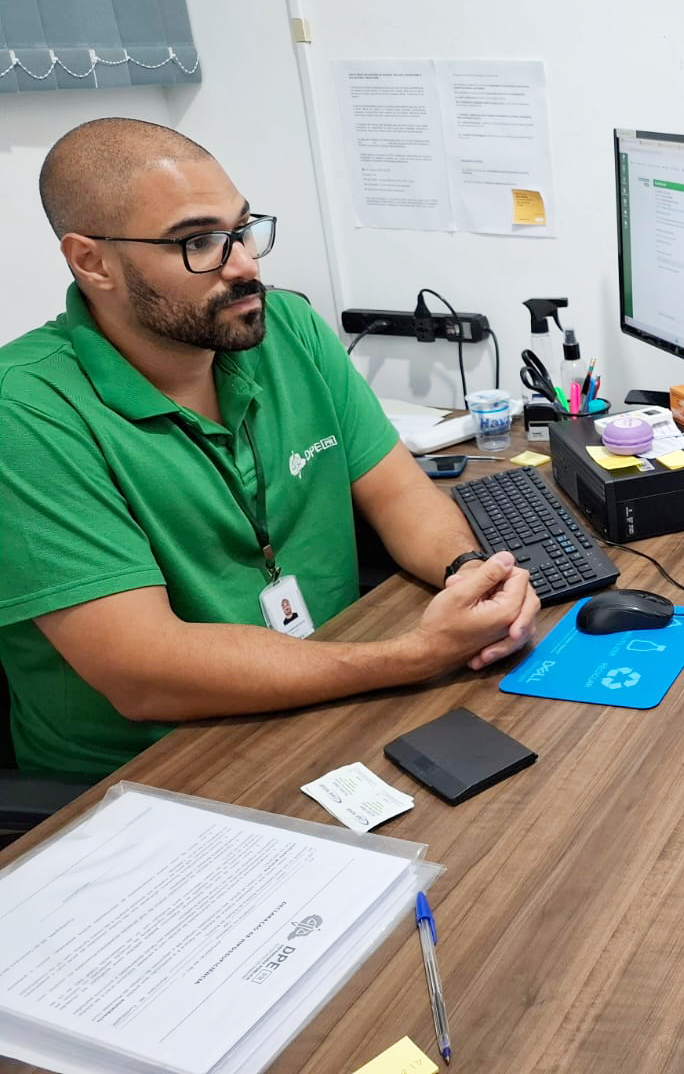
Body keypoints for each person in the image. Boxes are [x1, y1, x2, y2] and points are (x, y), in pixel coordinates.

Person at [0, 118, 540, 779]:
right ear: (92, 261)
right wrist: (414, 656)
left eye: (244, 229)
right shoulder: (25, 411)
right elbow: (141, 675)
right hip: (154, 773)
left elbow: (399, 492)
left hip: (329, 702)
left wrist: (468, 577)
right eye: (199, 242)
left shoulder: (284, 329)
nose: (246, 266)